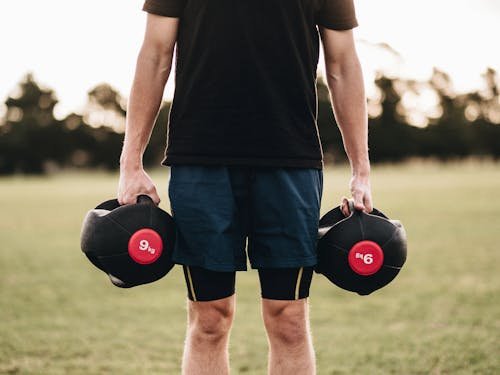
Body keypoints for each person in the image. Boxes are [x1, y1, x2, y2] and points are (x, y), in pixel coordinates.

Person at [117, 0, 372, 373]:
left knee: (289, 320)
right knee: (209, 320)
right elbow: (156, 55)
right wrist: (130, 162)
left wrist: (361, 169)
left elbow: (343, 65)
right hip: (201, 161)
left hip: (290, 161)